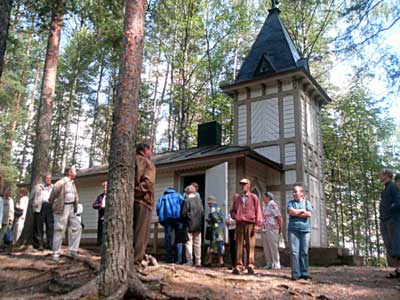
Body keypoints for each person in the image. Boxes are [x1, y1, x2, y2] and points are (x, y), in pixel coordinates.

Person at [230, 178, 263, 275]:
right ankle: (239, 266)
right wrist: (236, 216)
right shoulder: (237, 198)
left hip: (250, 224)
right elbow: (232, 211)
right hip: (240, 224)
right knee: (239, 245)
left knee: (251, 245)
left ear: (249, 186)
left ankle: (250, 265)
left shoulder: (254, 197)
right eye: (242, 184)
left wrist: (258, 225)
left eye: (245, 184)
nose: (243, 186)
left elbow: (258, 211)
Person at [49, 165, 82, 261]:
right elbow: (53, 195)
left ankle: (72, 251)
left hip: (72, 208)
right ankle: (55, 254)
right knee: (59, 229)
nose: (76, 172)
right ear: (69, 172)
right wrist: (53, 205)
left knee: (77, 227)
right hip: (62, 208)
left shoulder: (72, 183)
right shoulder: (61, 182)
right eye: (74, 170)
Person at [134, 141, 156, 268]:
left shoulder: (131, 161)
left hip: (132, 202)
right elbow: (148, 183)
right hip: (143, 201)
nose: (151, 153)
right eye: (151, 150)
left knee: (133, 232)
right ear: (146, 150)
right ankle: (136, 262)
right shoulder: (148, 163)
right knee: (141, 233)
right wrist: (136, 192)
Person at [287, 184, 312, 281]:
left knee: (304, 252)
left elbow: (309, 214)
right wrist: (301, 211)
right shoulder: (290, 203)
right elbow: (290, 212)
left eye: (295, 192)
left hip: (305, 230)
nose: (293, 193)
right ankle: (295, 273)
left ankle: (304, 273)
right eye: (293, 192)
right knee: (294, 252)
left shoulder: (307, 202)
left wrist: (296, 212)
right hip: (293, 230)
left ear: (301, 193)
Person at [379, 169, 400, 278]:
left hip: (391, 220)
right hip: (384, 220)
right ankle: (397, 270)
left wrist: (390, 211)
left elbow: (398, 201)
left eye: (381, 174)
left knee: (395, 245)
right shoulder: (386, 188)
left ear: (386, 175)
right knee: (390, 246)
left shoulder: (393, 186)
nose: (379, 176)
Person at [156, 187, 185, 263]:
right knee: (179, 238)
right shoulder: (178, 195)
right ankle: (179, 259)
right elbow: (183, 205)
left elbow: (158, 208)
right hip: (178, 219)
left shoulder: (162, 197)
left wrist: (161, 216)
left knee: (168, 239)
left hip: (167, 220)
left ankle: (168, 258)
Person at [181, 184, 204, 267]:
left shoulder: (186, 201)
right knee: (197, 244)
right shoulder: (199, 201)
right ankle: (198, 261)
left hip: (189, 225)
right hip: (198, 225)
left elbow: (183, 214)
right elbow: (202, 212)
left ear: (187, 192)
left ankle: (190, 261)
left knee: (188, 243)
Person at [261, 192, 283, 269]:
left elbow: (279, 217)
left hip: (272, 228)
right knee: (266, 247)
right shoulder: (266, 206)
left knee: (273, 246)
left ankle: (276, 263)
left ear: (268, 197)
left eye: (264, 197)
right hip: (265, 229)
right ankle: (269, 263)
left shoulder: (273, 205)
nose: (263, 199)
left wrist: (280, 228)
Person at [32, 174, 54, 250]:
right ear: (44, 179)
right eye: (47, 178)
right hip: (40, 206)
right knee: (38, 226)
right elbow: (32, 197)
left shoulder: (54, 187)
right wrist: (35, 204)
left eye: (49, 178)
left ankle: (50, 244)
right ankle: (39, 244)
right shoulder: (38, 187)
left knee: (50, 226)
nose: (48, 179)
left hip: (50, 207)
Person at [205, 195, 225, 267]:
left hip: (216, 229)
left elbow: (215, 218)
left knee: (213, 244)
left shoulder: (213, 208)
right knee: (219, 244)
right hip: (220, 229)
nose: (208, 204)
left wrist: (209, 220)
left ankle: (211, 261)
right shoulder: (218, 207)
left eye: (209, 203)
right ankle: (220, 261)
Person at [93, 181, 107, 245]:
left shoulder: (111, 196)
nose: (104, 189)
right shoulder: (100, 196)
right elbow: (94, 205)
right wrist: (100, 206)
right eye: (103, 187)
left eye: (106, 187)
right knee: (101, 229)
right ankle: (99, 243)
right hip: (101, 214)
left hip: (108, 214)